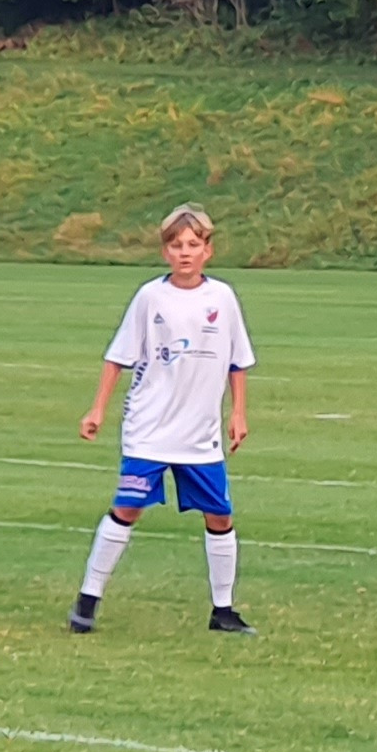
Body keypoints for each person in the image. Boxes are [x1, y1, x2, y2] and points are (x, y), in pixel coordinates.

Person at [73, 204, 257, 634]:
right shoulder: (150, 297)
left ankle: (223, 611)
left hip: (200, 433)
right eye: (176, 246)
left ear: (208, 250)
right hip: (148, 429)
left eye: (193, 245)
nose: (185, 253)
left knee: (220, 516)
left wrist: (239, 412)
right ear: (165, 252)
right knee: (128, 508)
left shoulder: (223, 298)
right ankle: (87, 601)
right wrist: (98, 408)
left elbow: (238, 361)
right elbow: (118, 356)